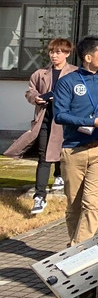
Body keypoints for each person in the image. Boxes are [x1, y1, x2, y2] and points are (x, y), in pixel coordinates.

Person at [53, 36, 98, 245]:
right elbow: (60, 115)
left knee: (92, 203)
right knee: (74, 206)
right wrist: (91, 121)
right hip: (74, 150)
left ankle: (78, 251)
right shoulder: (68, 82)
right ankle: (75, 250)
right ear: (88, 57)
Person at [4, 37, 77, 215]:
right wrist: (35, 97)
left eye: (58, 52)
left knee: (62, 152)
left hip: (65, 121)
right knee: (43, 157)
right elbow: (30, 90)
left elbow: (79, 95)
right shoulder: (40, 73)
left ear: (67, 53)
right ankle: (39, 197)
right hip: (44, 119)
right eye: (52, 52)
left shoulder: (75, 73)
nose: (54, 55)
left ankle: (59, 175)